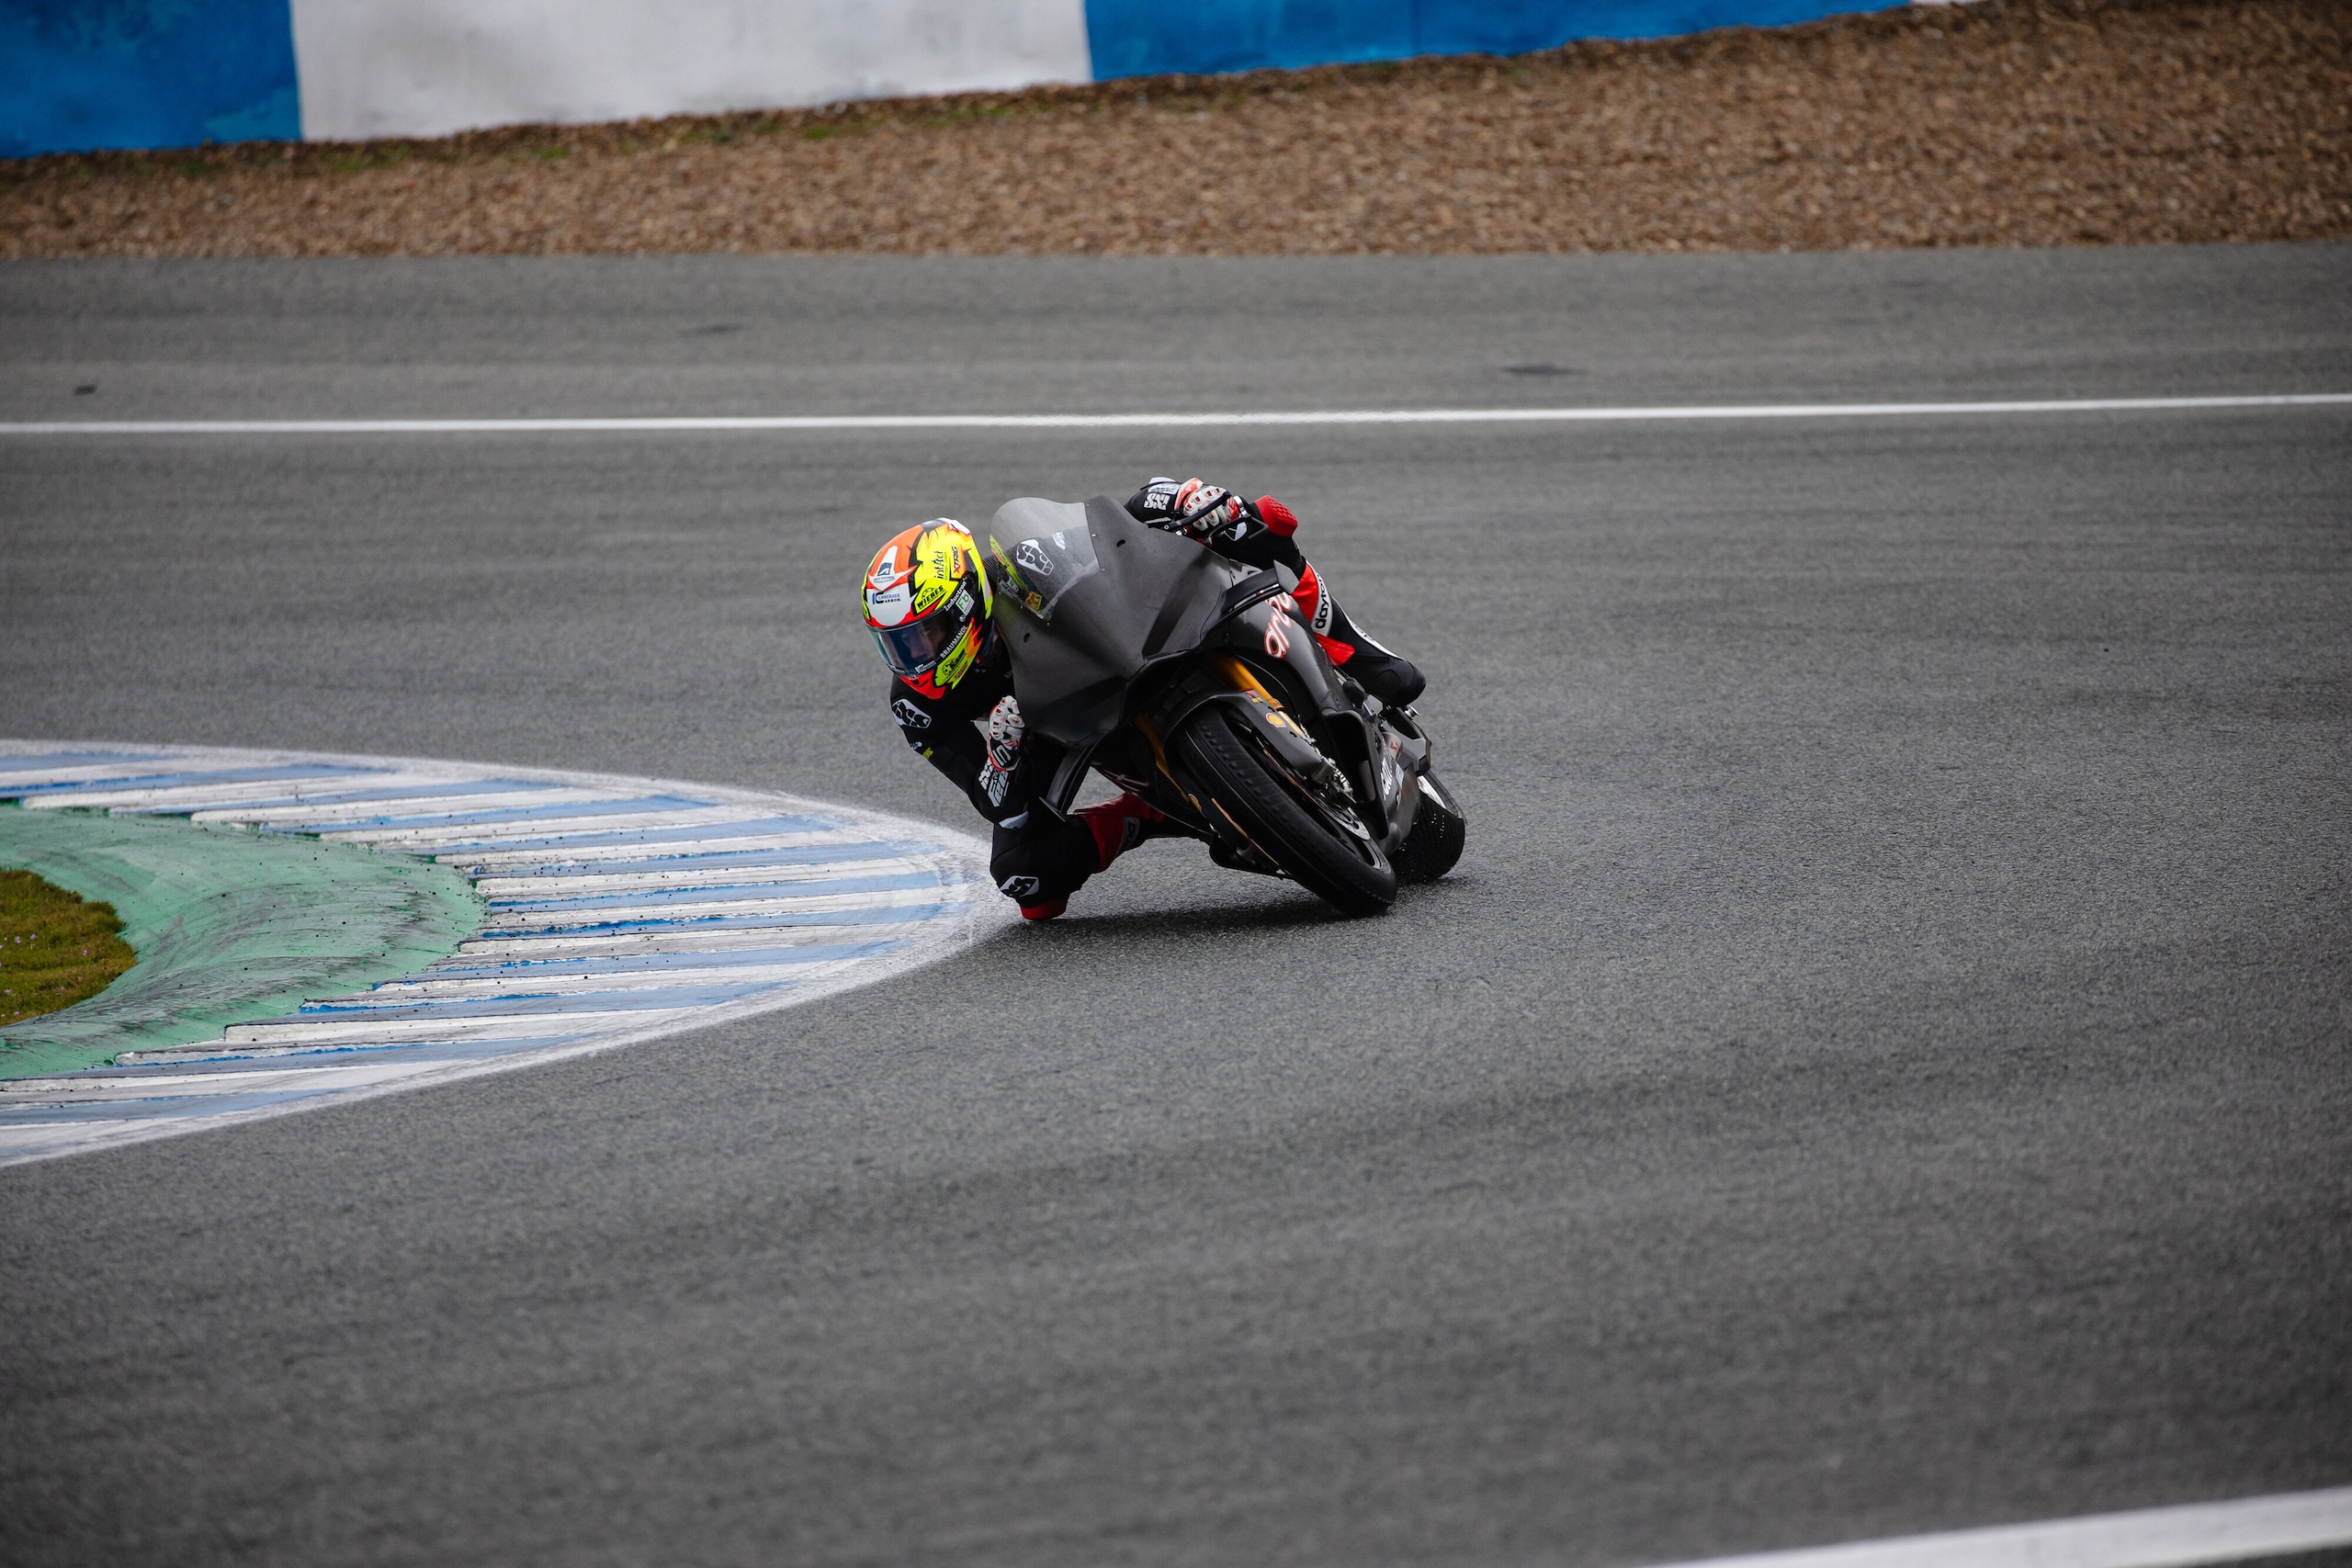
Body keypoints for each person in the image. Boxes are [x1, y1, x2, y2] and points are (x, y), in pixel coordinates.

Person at [863, 480, 1424, 921]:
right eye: (895, 644)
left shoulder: (1013, 568)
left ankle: (1355, 655)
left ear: (965, 601)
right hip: (1051, 720)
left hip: (1112, 645)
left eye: (924, 636)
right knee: (1025, 882)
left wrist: (1181, 499)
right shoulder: (918, 704)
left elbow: (1113, 525)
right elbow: (994, 803)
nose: (911, 658)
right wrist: (1003, 759)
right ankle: (1150, 811)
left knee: (1254, 529)